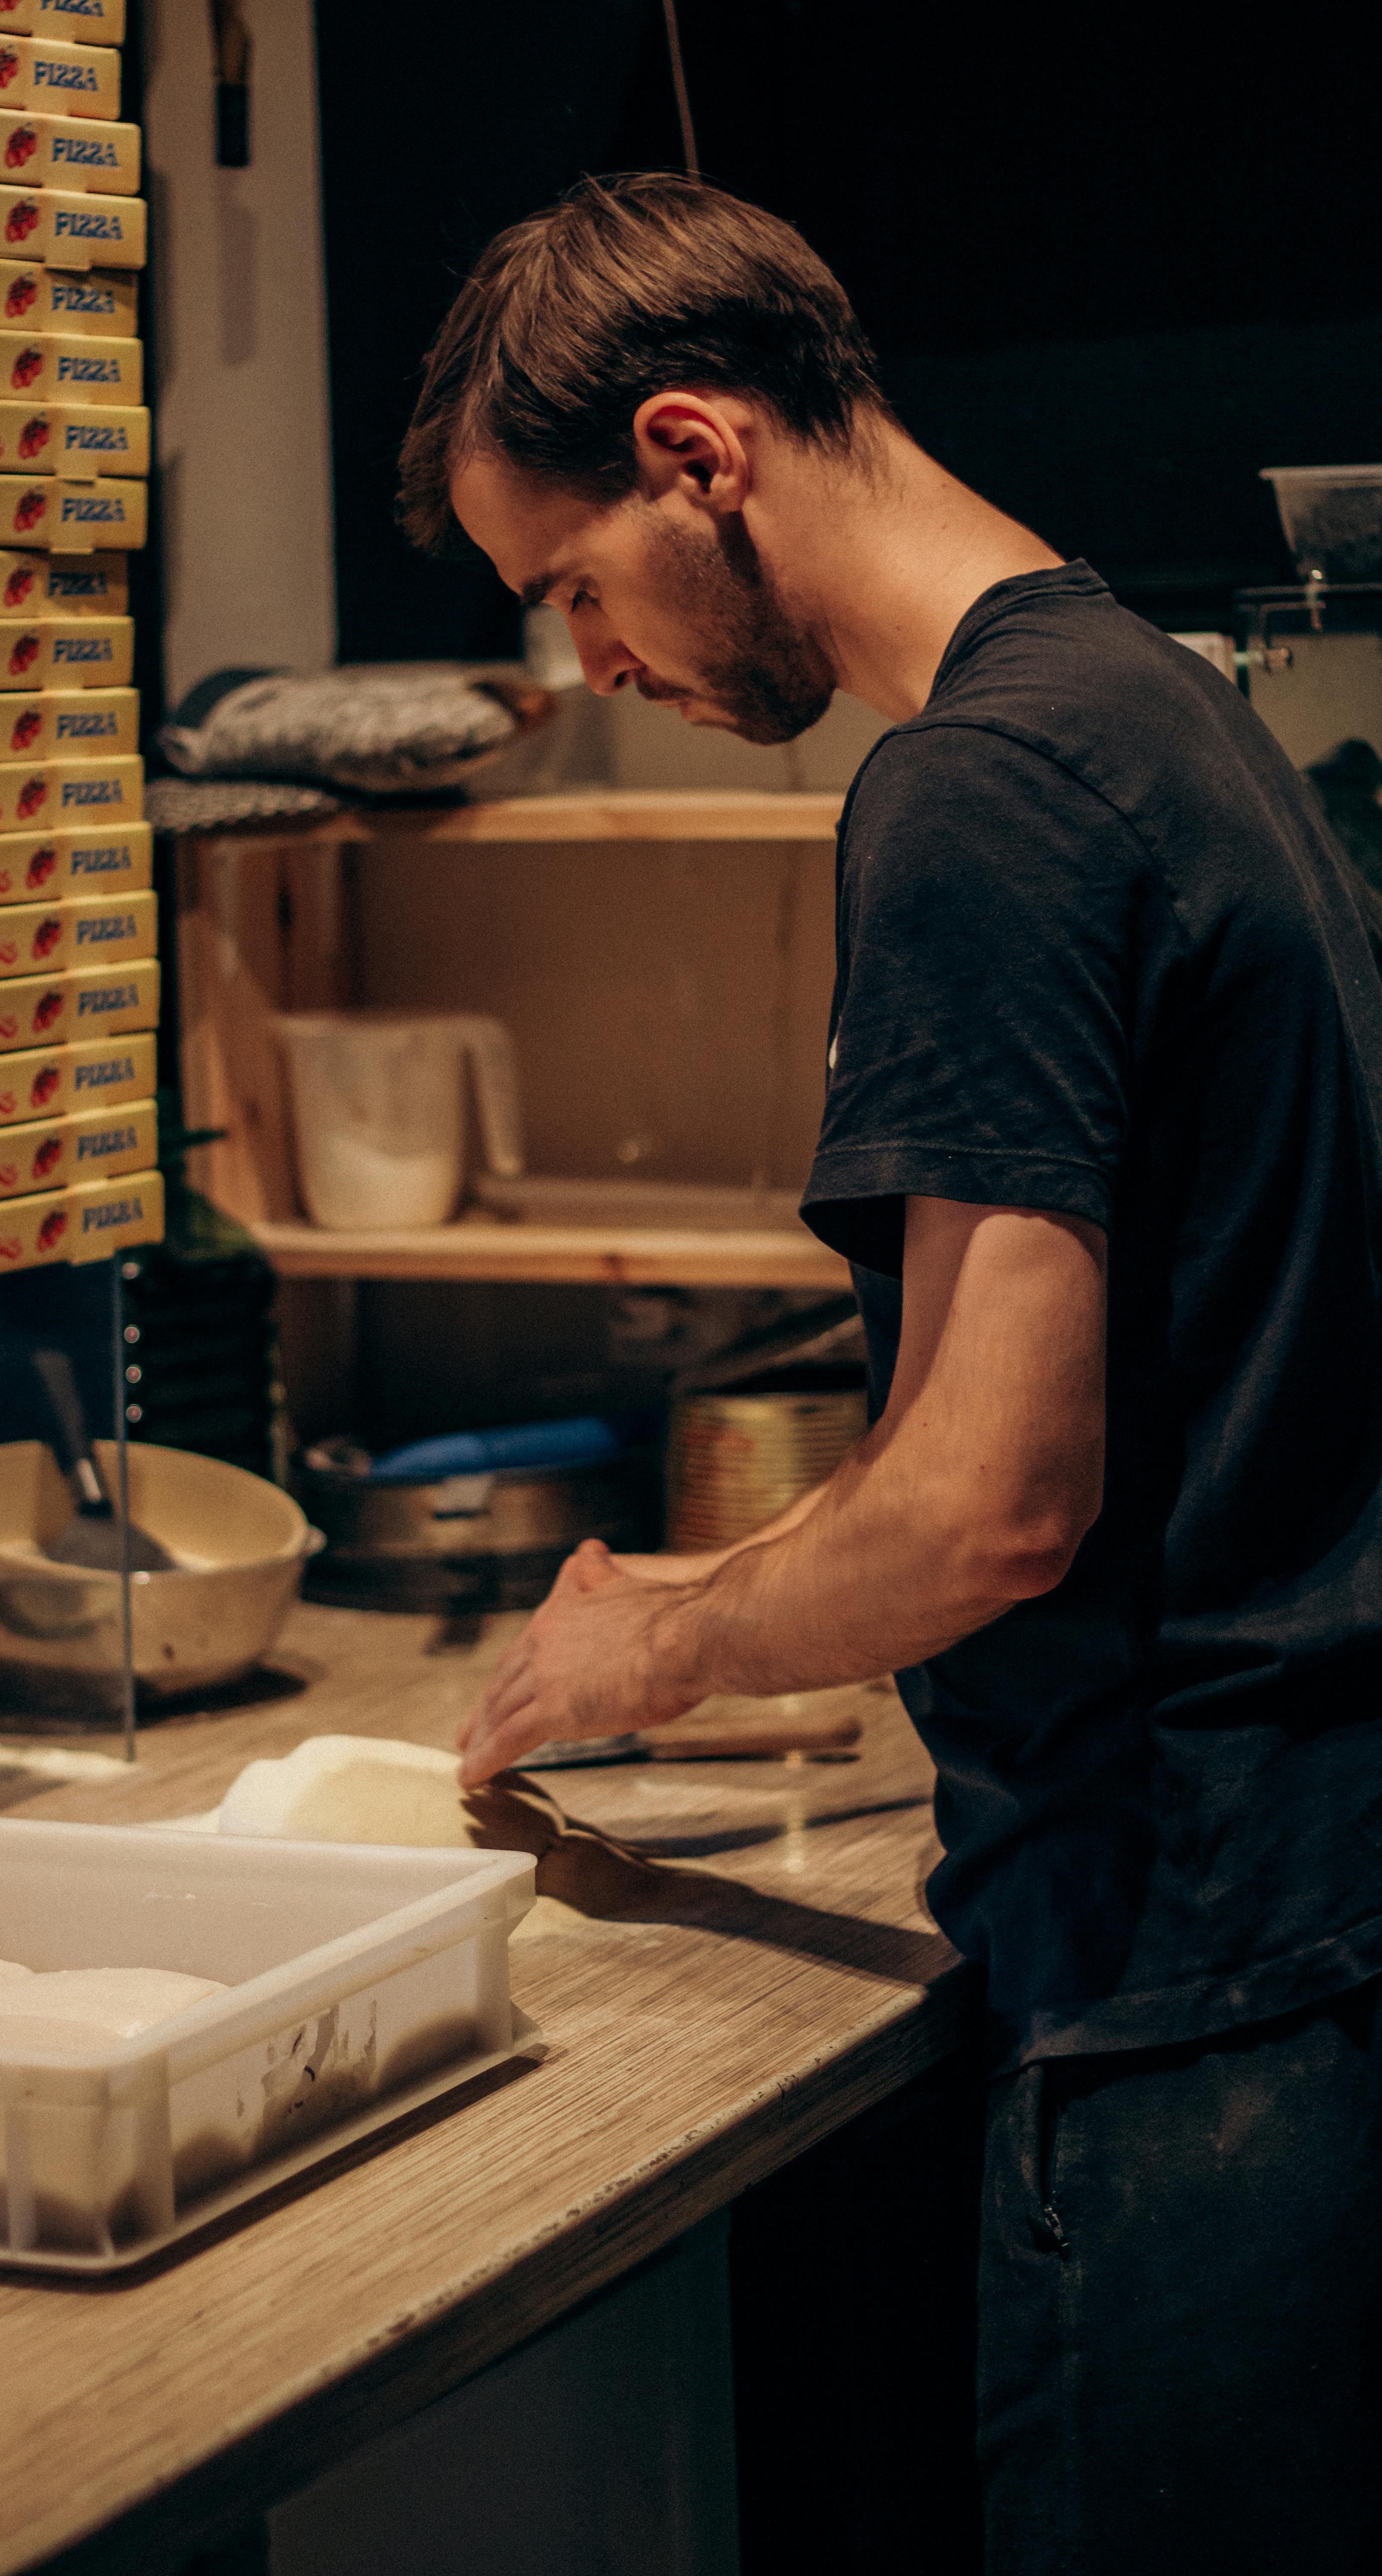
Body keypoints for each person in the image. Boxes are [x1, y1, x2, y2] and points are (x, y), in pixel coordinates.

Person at [396, 173, 1382, 2571]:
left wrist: (660, 1639)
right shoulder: (1165, 711)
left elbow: (985, 1506)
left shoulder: (974, 792)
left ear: (698, 451)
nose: (586, 661)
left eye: (571, 582)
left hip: (1196, 1974)